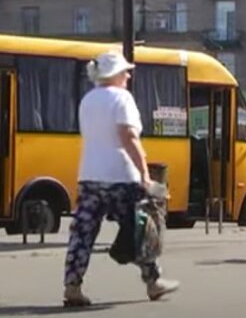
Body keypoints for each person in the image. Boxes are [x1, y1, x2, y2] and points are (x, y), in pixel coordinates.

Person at [63, 51, 179, 307]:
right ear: (114, 74)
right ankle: (153, 281)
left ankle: (72, 286)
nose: (128, 75)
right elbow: (128, 137)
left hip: (89, 175)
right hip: (120, 176)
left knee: (82, 232)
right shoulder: (122, 98)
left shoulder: (88, 100)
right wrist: (145, 175)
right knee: (140, 228)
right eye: (125, 71)